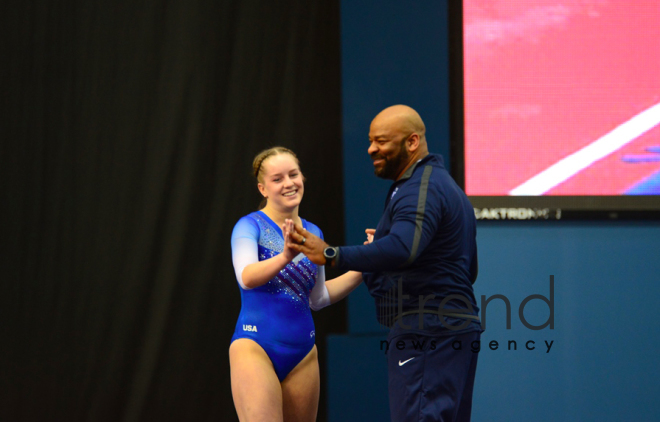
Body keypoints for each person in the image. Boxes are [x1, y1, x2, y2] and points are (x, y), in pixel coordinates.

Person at [287, 105, 481, 422]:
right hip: (454, 328)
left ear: (412, 142)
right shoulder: (442, 187)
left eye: (381, 141)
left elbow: (404, 248)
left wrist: (332, 254)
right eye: (370, 140)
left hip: (426, 330)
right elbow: (466, 269)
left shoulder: (420, 188)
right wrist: (380, 254)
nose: (371, 149)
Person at [229, 146, 364, 422]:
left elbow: (318, 298)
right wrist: (285, 256)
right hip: (256, 345)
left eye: (293, 174)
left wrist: (364, 268)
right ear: (263, 188)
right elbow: (246, 276)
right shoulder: (248, 226)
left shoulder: (313, 232)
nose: (289, 183)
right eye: (277, 179)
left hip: (303, 352)